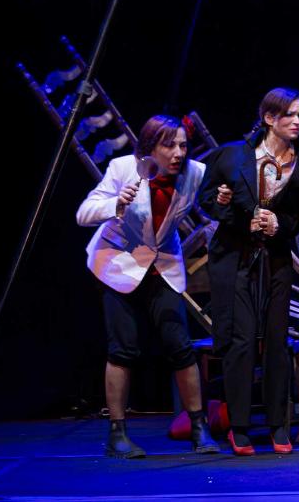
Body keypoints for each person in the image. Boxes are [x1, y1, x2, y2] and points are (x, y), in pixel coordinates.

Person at [76, 114, 219, 458]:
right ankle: (117, 434)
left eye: (183, 145)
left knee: (180, 346)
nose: (178, 153)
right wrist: (115, 204)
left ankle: (199, 427)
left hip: (162, 265)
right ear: (150, 148)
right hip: (118, 265)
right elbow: (84, 213)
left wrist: (223, 200)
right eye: (169, 146)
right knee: (123, 349)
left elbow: (215, 198)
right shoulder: (124, 168)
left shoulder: (195, 173)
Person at [198, 88, 299, 455]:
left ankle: (278, 424)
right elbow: (207, 200)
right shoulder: (233, 155)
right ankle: (240, 425)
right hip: (236, 257)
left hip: (276, 259)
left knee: (277, 340)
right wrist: (238, 217)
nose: (297, 121)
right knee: (242, 340)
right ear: (269, 118)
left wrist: (279, 225)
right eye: (290, 115)